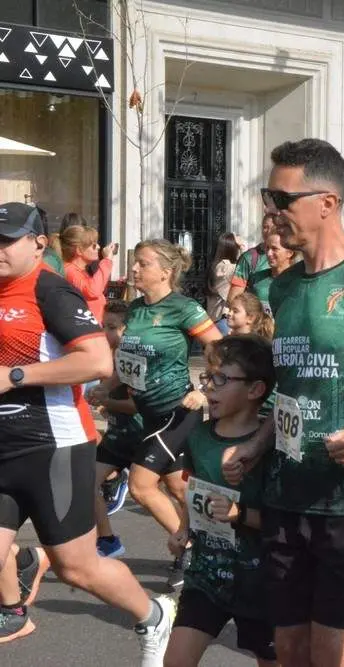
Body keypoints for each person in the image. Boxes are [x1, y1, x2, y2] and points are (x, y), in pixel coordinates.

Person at [220, 139, 344, 667]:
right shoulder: (284, 287)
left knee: (335, 659)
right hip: (287, 494)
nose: (272, 211)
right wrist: (257, 442)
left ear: (327, 202)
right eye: (267, 197)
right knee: (290, 653)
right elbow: (292, 387)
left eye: (282, 197)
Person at [0, 202, 175, 660]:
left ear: (39, 243)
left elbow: (97, 362)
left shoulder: (50, 291)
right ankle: (20, 564)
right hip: (2, 444)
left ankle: (155, 615)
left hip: (51, 446)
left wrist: (15, 376)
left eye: (7, 240)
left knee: (77, 568)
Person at [116, 239, 224, 589]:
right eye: (134, 263)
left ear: (166, 271)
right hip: (147, 413)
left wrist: (205, 391)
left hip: (177, 412)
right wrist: (108, 385)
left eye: (142, 264)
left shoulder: (183, 308)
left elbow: (222, 350)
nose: (134, 269)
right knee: (179, 489)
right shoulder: (134, 309)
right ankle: (216, 547)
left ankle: (188, 545)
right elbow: (128, 358)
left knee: (141, 485)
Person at [164, 335, 277, 667]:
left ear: (256, 390)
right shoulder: (199, 435)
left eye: (221, 379)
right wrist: (183, 529)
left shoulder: (268, 448)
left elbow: (281, 522)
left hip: (259, 582)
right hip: (206, 575)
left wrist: (238, 514)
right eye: (208, 377)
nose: (209, 387)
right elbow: (195, 491)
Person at [87, 299, 144, 559]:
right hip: (117, 437)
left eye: (112, 327)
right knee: (87, 482)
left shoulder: (135, 358)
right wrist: (105, 405)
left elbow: (136, 406)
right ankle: (107, 539)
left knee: (166, 493)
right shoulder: (105, 356)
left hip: (145, 435)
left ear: (127, 330)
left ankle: (187, 545)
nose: (105, 332)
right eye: (103, 325)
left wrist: (106, 401)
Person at [60, 224, 117, 322]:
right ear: (79, 250)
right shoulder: (69, 270)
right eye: (94, 245)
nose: (99, 247)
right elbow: (92, 291)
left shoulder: (80, 271)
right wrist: (107, 260)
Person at [229, 213, 276, 304]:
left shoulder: (293, 254)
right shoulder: (249, 258)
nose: (269, 231)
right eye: (265, 227)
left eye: (274, 227)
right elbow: (233, 298)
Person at [247, 232, 297, 316]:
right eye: (267, 248)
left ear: (289, 252)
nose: (269, 253)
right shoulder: (256, 278)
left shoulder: (299, 281)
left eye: (274, 248)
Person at [206, 232, 241, 335]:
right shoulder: (226, 267)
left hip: (216, 318)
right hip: (223, 319)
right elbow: (245, 269)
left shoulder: (217, 265)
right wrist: (242, 247)